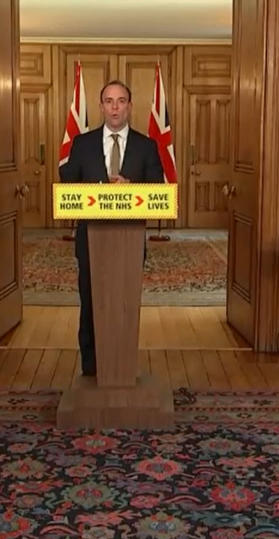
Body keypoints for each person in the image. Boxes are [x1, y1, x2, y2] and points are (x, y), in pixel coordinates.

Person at [58, 80, 164, 376]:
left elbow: (158, 189)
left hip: (129, 243)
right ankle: (91, 369)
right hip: (91, 241)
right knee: (91, 303)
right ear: (101, 105)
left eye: (121, 101)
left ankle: (122, 366)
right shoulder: (82, 144)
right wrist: (97, 192)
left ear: (130, 106)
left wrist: (133, 188)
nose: (115, 107)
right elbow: (68, 185)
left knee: (125, 305)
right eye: (108, 100)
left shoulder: (147, 146)